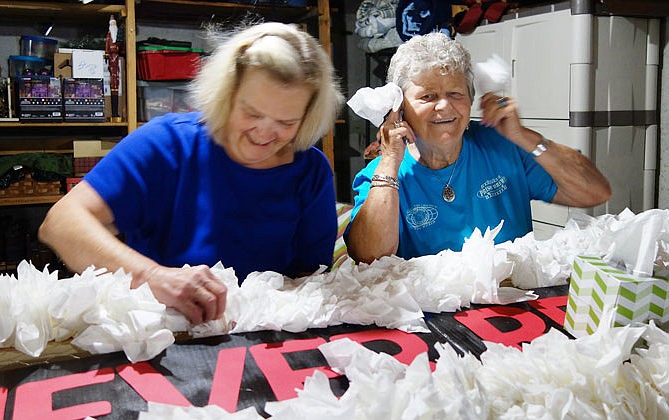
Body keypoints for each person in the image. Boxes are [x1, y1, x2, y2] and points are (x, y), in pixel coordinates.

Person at [39, 22, 344, 324]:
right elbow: (61, 223)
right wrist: (153, 277)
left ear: (307, 117)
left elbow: (310, 278)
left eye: (286, 122)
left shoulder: (310, 172)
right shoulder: (165, 144)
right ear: (228, 93)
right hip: (160, 337)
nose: (264, 133)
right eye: (251, 113)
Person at [345, 33, 611, 264]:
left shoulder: (505, 147)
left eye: (456, 94)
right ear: (400, 108)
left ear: (470, 99)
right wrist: (390, 161)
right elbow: (369, 257)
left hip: (510, 305)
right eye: (428, 96)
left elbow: (595, 192)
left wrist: (524, 136)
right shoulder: (382, 174)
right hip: (431, 316)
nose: (445, 106)